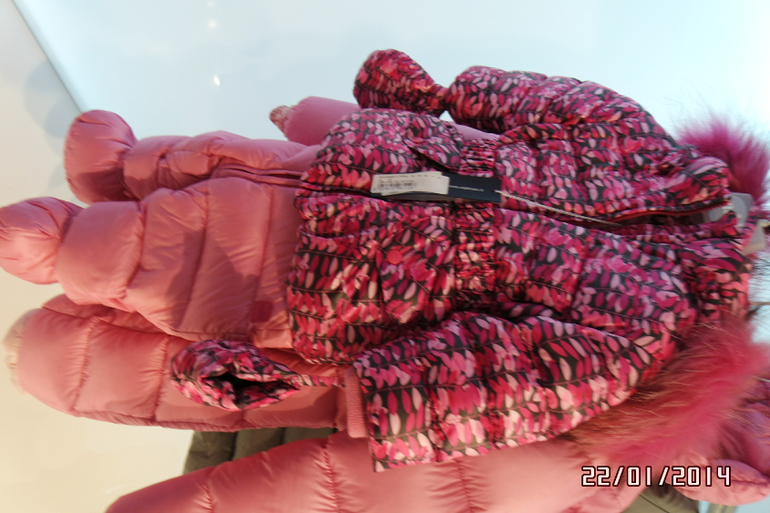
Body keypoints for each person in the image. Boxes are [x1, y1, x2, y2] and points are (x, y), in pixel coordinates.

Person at [2, 49, 769, 512]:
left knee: (175, 262)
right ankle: (113, 183)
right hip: (382, 179)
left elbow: (488, 374)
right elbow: (551, 103)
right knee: (220, 175)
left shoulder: (636, 355)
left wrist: (341, 387)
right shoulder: (653, 161)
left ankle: (65, 242)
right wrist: (432, 99)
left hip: (348, 292)